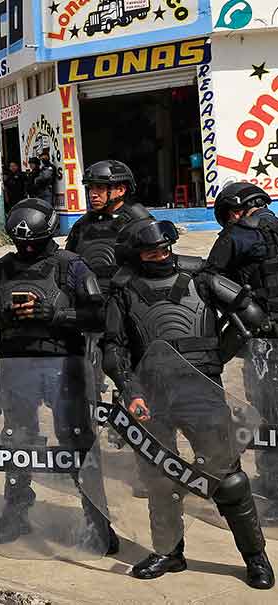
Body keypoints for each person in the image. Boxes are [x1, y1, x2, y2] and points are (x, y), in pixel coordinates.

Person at [103, 218, 273, 588]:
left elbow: (253, 315)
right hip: (150, 395)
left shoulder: (201, 276)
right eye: (150, 250)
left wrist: (217, 356)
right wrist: (129, 391)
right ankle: (169, 552)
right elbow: (113, 348)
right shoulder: (124, 289)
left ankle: (255, 557)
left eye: (163, 248)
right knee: (159, 476)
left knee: (228, 479)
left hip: (202, 391)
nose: (159, 255)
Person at [0, 198, 119, 551]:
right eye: (21, 243)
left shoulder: (71, 267)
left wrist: (55, 314)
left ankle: (98, 522)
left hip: (62, 366)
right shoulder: (3, 269)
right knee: (18, 441)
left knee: (78, 443)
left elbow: (99, 317)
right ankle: (16, 512)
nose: (27, 248)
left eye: (33, 242)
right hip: (17, 366)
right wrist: (4, 313)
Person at [206, 181, 278, 523]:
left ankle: (276, 491)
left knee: (267, 413)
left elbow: (210, 280)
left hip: (264, 342)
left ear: (234, 211)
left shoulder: (237, 235)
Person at [65, 160, 154, 291]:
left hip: (127, 295)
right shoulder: (82, 224)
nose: (93, 194)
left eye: (100, 187)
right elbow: (69, 263)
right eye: (90, 187)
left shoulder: (141, 222)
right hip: (90, 296)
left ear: (121, 190)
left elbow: (157, 267)